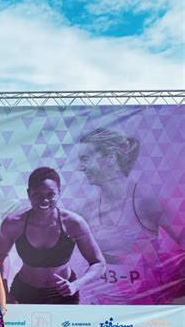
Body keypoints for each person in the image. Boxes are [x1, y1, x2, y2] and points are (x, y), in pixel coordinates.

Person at [0, 167, 105, 327]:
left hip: (63, 296)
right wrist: (4, 291)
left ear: (59, 193)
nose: (44, 200)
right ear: (29, 194)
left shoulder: (73, 222)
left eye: (50, 194)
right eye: (37, 194)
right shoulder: (14, 223)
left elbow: (98, 263)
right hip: (24, 294)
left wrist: (76, 285)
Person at [77, 128, 185, 304]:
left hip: (148, 312)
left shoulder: (148, 201)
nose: (80, 167)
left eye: (85, 159)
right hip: (102, 310)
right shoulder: (86, 210)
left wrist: (175, 292)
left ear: (110, 159)